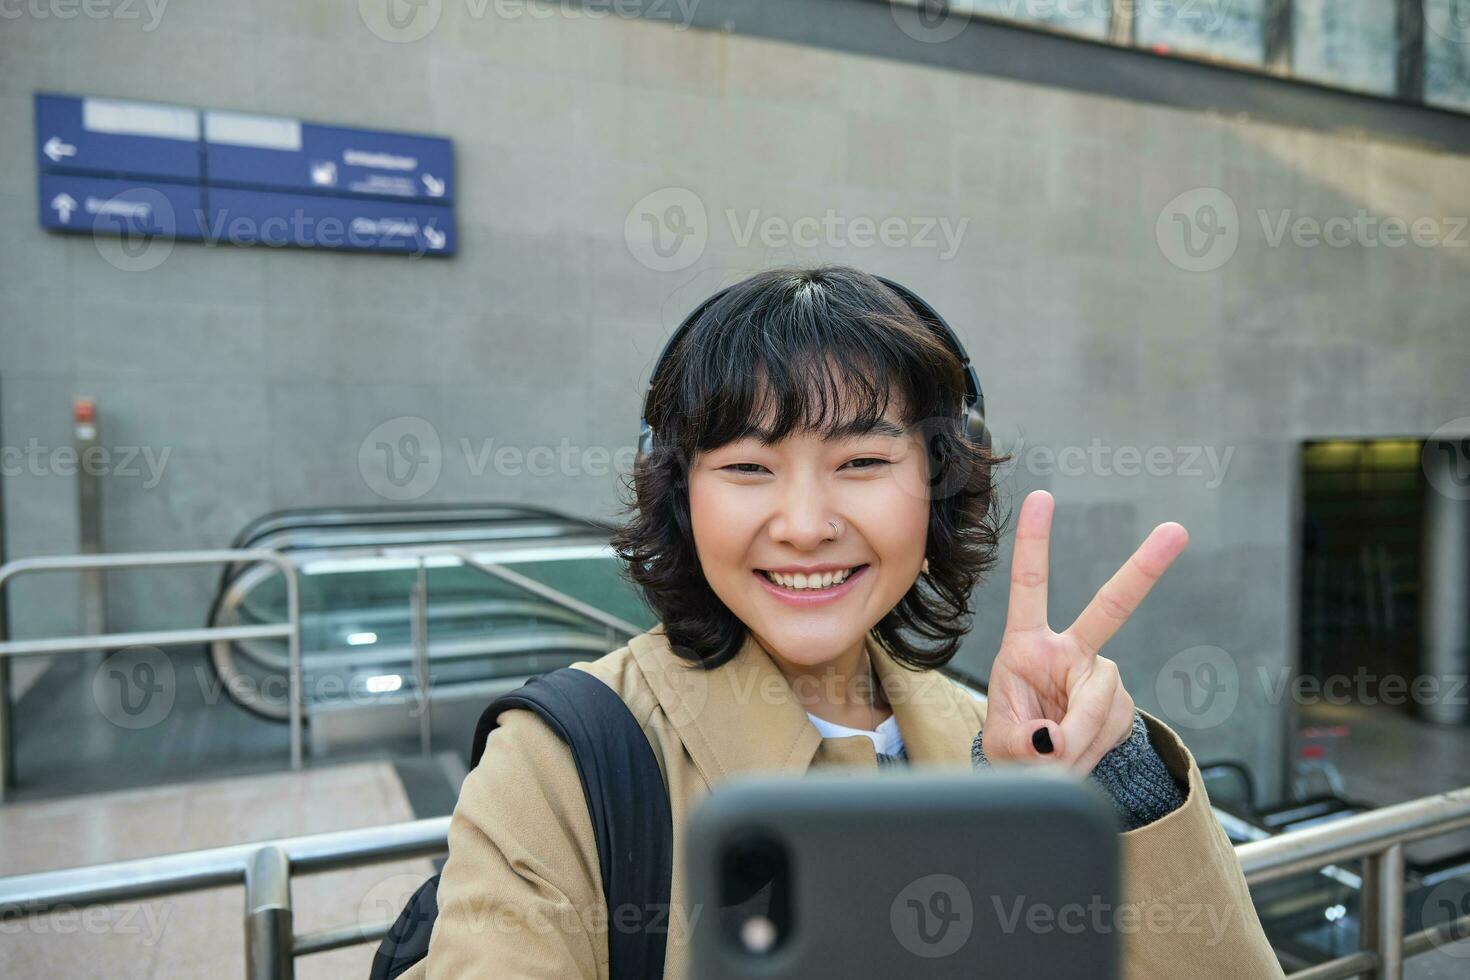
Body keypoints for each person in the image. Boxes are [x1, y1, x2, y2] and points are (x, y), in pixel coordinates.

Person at [418, 266, 1283, 978]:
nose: (803, 523)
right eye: (749, 466)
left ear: (937, 480)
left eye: (863, 461)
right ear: (680, 493)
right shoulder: (564, 761)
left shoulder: (995, 740)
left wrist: (1111, 783)